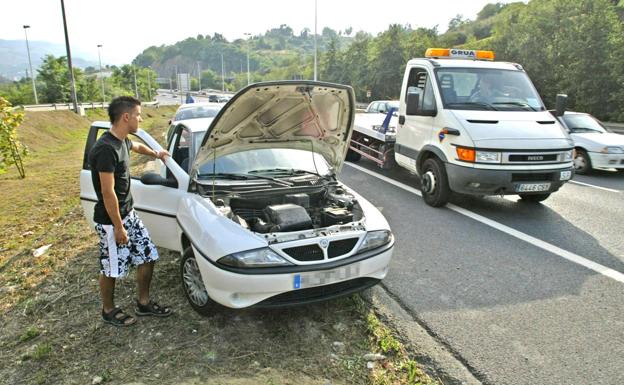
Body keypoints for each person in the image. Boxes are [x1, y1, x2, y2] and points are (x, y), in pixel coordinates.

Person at [88, 96, 172, 326]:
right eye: (138, 114)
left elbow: (136, 146)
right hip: (110, 220)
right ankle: (108, 309)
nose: (141, 118)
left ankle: (143, 303)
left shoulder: (122, 141)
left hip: (129, 214)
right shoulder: (105, 149)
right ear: (126, 117)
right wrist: (118, 226)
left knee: (148, 256)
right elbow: (107, 192)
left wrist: (157, 154)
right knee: (112, 268)